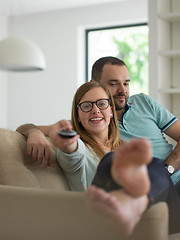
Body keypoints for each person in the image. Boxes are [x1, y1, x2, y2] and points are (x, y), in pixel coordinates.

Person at [17, 82, 180, 235]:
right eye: (87, 106)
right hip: (105, 221)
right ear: (78, 116)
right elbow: (72, 154)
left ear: (111, 111)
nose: (95, 110)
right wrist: (58, 140)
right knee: (111, 161)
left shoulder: (126, 148)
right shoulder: (81, 148)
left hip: (158, 215)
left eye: (101, 103)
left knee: (154, 164)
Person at [16, 56, 180, 188]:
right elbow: (66, 146)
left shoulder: (144, 102)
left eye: (126, 83)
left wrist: (167, 169)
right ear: (94, 84)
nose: (122, 90)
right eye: (113, 84)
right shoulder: (87, 121)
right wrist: (34, 132)